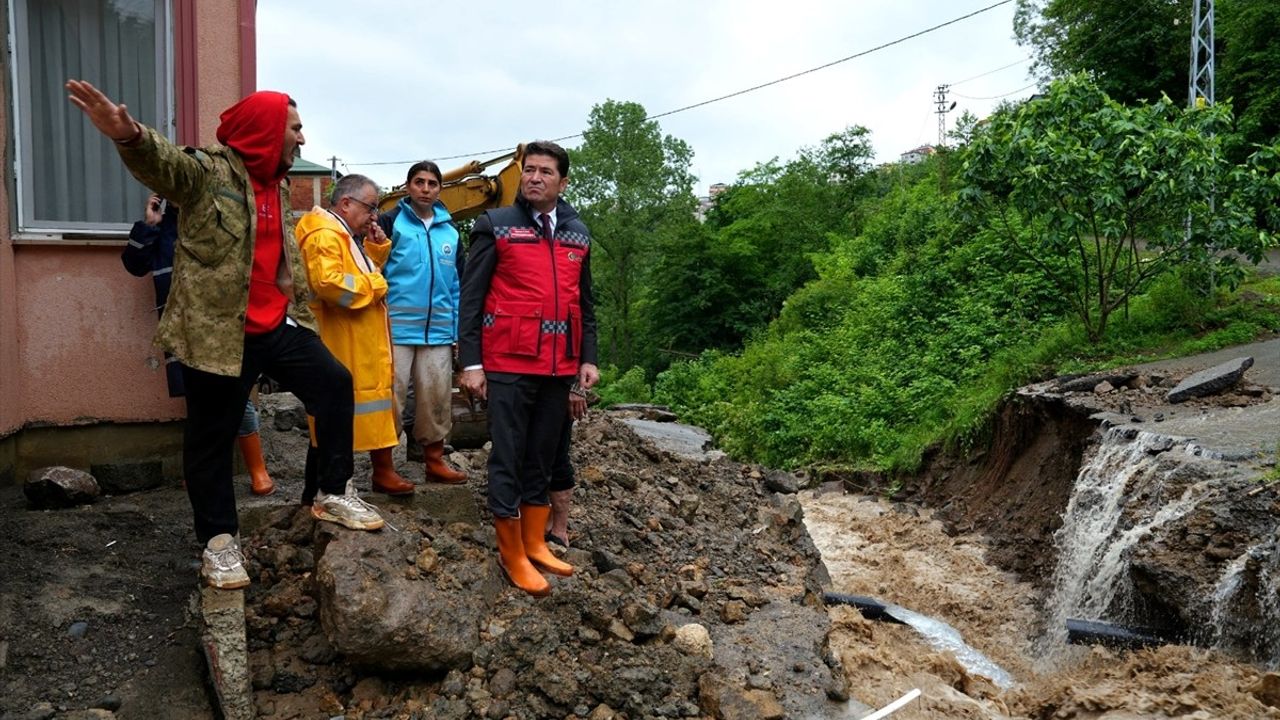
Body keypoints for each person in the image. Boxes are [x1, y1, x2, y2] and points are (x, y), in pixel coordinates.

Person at [66, 79, 385, 592]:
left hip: (275, 323)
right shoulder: (208, 172)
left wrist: (291, 294)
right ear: (266, 131)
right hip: (218, 333)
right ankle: (218, 542)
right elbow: (164, 163)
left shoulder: (280, 183)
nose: (302, 139)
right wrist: (129, 136)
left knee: (333, 384)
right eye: (295, 128)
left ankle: (330, 491)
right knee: (211, 438)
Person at [458, 140, 599, 597]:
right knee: (509, 456)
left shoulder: (577, 232)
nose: (534, 178)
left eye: (545, 171)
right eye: (529, 170)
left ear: (563, 181)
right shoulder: (495, 225)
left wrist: (588, 358)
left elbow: (586, 304)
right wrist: (471, 364)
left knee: (542, 455)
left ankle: (536, 542)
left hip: (559, 367)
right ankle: (511, 552)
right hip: (508, 363)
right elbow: (472, 299)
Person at [123, 194, 275, 496]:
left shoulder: (218, 223)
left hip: (222, 326)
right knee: (197, 400)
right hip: (182, 329)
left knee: (237, 395)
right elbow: (134, 265)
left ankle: (257, 470)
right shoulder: (162, 229)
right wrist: (149, 224)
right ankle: (200, 473)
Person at [295, 174, 414, 499]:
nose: (374, 216)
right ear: (346, 204)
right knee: (333, 421)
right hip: (342, 340)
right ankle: (328, 493)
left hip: (352, 339)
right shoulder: (324, 234)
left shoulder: (340, 234)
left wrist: (375, 250)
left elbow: (353, 273)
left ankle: (326, 492)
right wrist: (376, 286)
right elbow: (331, 284)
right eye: (370, 207)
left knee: (336, 421)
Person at [377, 161, 467, 483]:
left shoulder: (451, 233)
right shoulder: (390, 223)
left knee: (436, 398)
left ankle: (434, 461)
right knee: (392, 397)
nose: (425, 189)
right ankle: (384, 467)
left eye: (432, 183)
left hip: (439, 334)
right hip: (396, 331)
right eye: (419, 182)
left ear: (440, 189)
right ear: (408, 186)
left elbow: (457, 285)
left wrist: (457, 332)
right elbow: (375, 270)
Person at [542, 387, 588, 548]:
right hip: (523, 384)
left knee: (557, 455)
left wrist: (577, 389)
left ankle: (559, 531)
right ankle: (543, 520)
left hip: (559, 385)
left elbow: (584, 362)